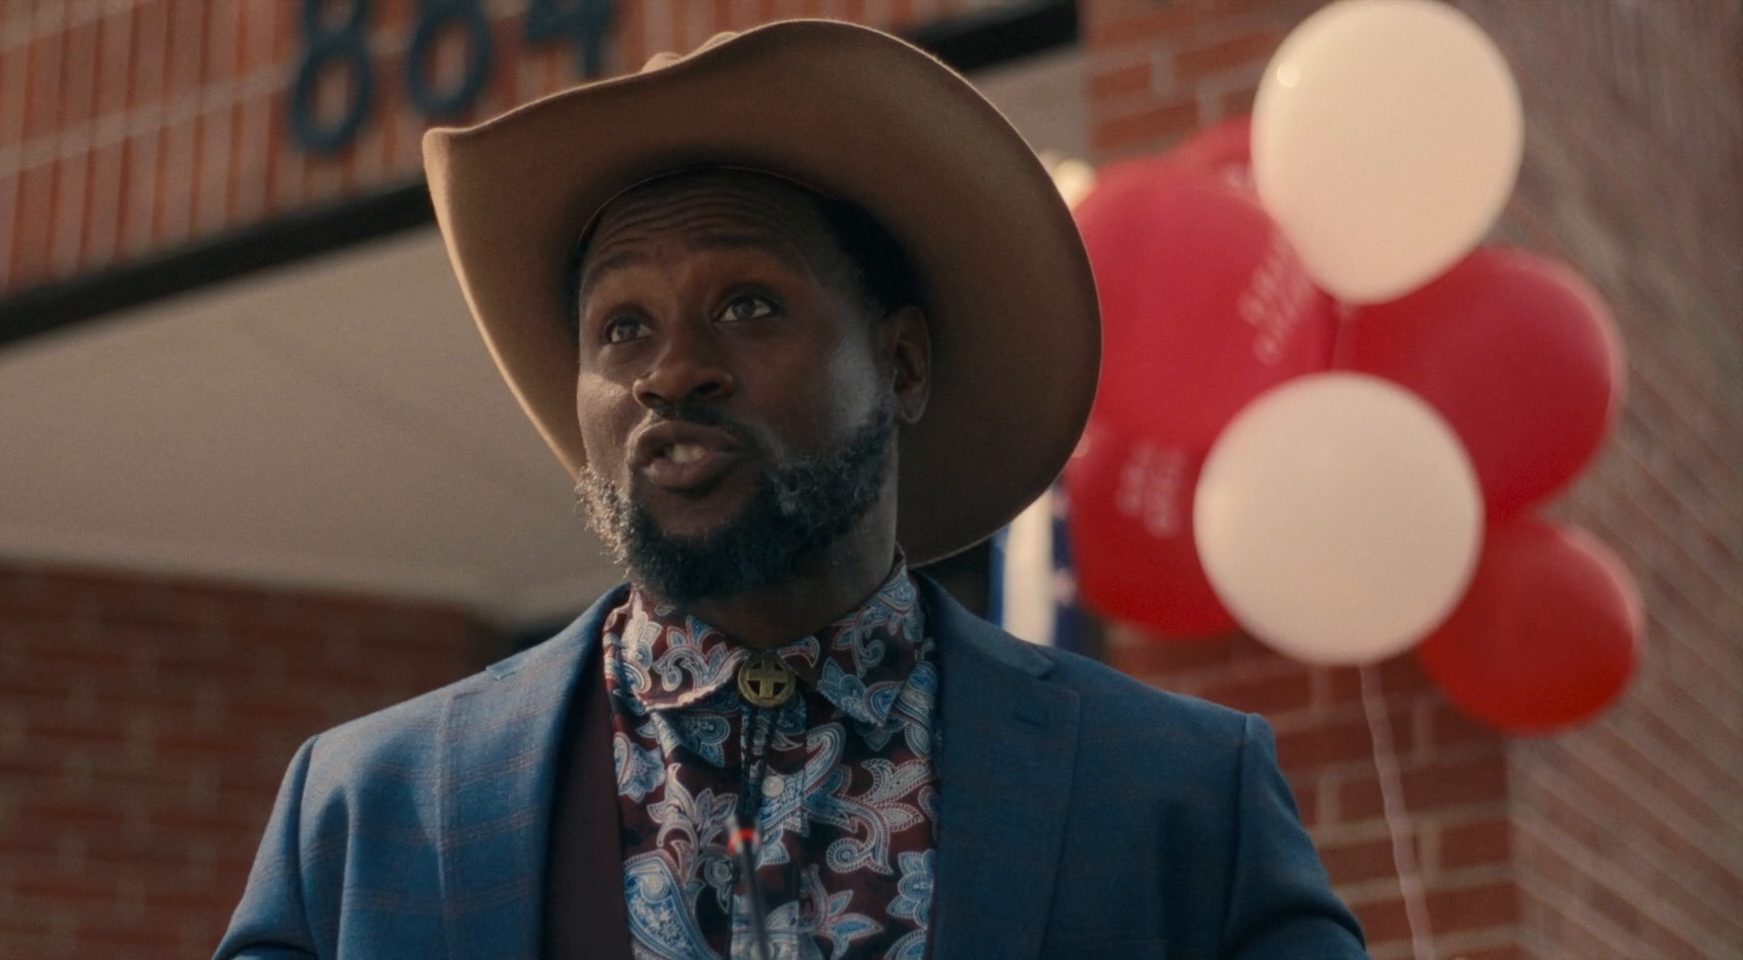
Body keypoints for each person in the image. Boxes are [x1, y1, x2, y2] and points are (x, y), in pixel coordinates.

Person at [215, 19, 1369, 960]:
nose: (672, 371)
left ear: (902, 363)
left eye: (749, 304)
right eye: (623, 326)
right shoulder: (366, 817)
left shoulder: (1179, 803)